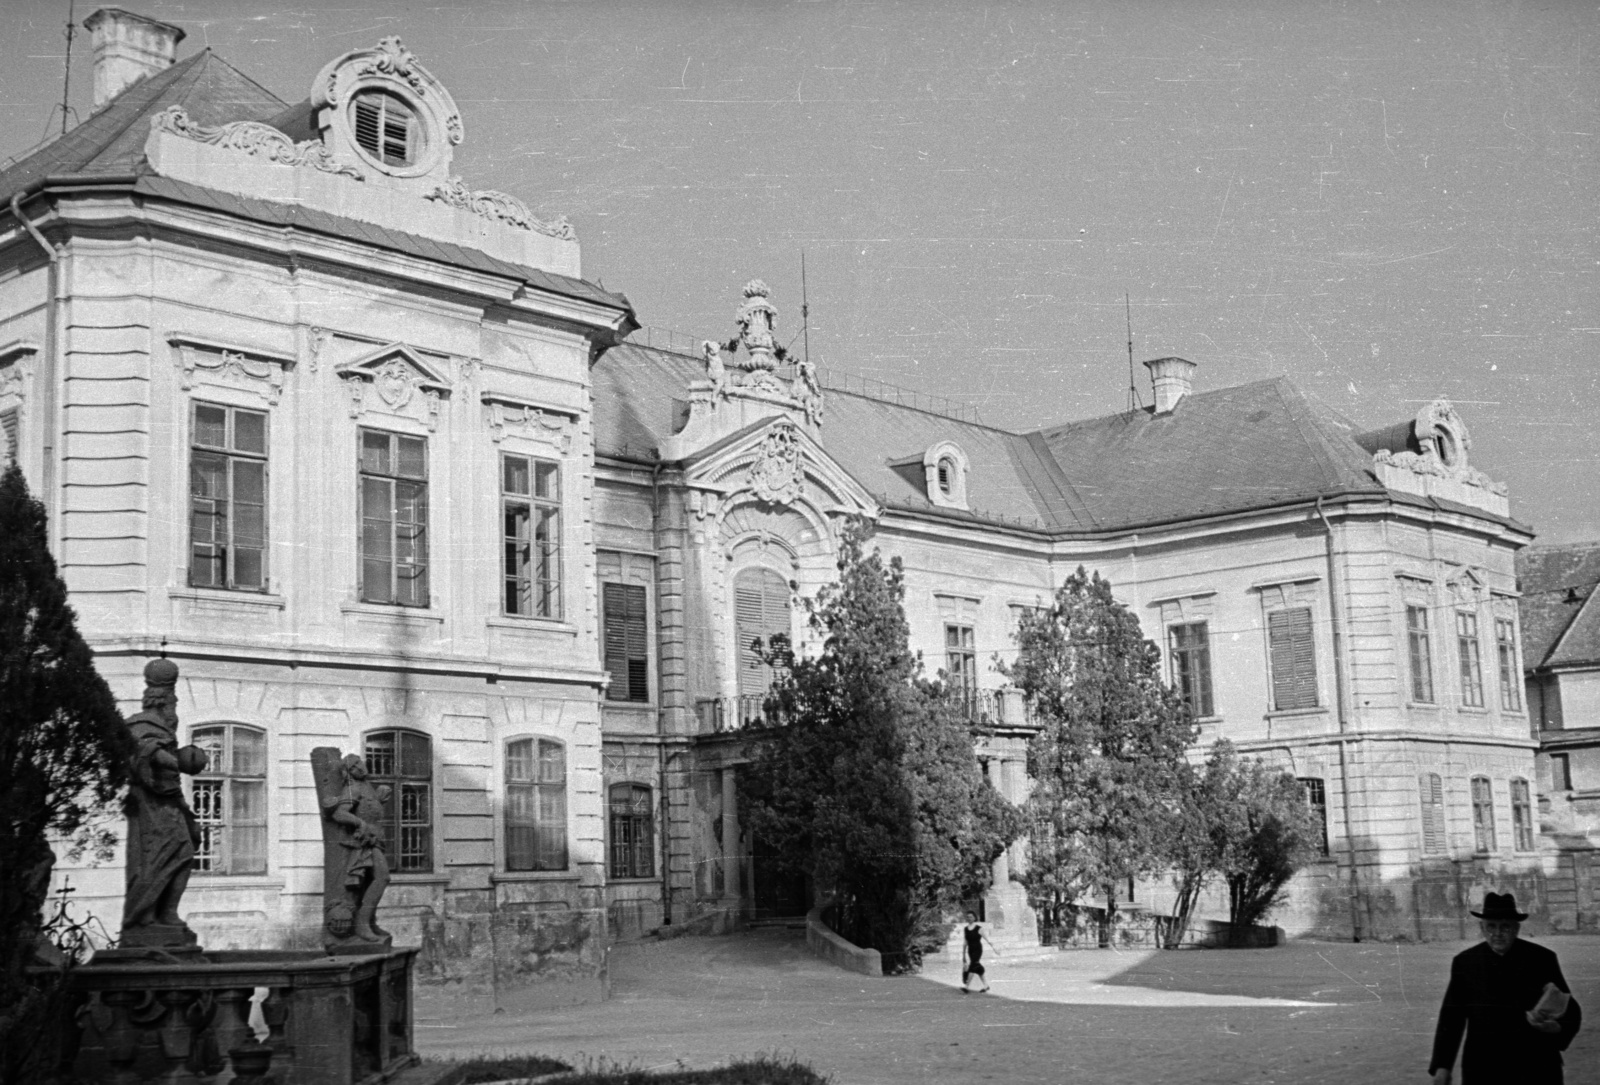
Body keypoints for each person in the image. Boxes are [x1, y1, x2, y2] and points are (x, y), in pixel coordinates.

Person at [1429, 892, 1582, 1084]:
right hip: (1484, 1068)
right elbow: (1451, 1018)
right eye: (1491, 926)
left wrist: (1557, 1028)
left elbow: (1569, 1008)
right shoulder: (1465, 963)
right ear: (1482, 928)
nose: (1497, 933)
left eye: (1505, 926)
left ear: (1516, 928)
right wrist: (1443, 1066)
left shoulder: (1542, 959)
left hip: (1536, 1066)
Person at [121, 658, 208, 944]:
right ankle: (143, 918)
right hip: (150, 806)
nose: (176, 707)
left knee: (184, 852)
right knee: (155, 858)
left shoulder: (164, 729)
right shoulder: (141, 723)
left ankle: (167, 913)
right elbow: (144, 751)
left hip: (170, 803)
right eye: (173, 701)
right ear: (163, 701)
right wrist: (177, 762)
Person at [961, 911, 998, 994]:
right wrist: (963, 955)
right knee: (977, 967)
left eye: (971, 917)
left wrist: (994, 948)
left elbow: (987, 939)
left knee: (973, 965)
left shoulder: (979, 928)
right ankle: (986, 985)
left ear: (974, 918)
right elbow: (965, 942)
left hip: (977, 949)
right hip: (970, 950)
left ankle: (966, 986)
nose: (969, 918)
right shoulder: (966, 929)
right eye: (968, 917)